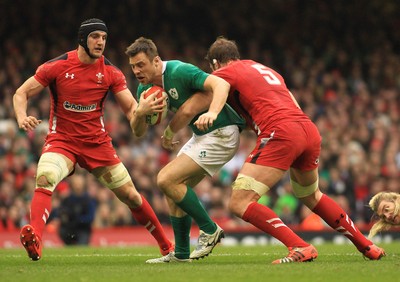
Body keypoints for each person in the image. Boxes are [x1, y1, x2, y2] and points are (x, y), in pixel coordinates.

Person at [194, 36, 386, 263]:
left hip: (281, 133)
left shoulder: (225, 72)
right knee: (311, 195)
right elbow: (289, 103)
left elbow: (218, 88)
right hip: (306, 129)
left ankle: (300, 246)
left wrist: (212, 113)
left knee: (239, 202)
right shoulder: (266, 70)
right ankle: (367, 245)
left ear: (215, 63)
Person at [13, 18, 174, 261]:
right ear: (82, 39)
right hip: (62, 140)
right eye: (95, 36)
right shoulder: (56, 66)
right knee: (45, 178)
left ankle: (166, 246)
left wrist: (141, 112)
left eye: (104, 38)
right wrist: (21, 116)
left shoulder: (110, 72)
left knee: (130, 195)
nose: (101, 42)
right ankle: (35, 238)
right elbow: (21, 92)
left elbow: (131, 110)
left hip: (96, 143)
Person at [125, 37, 245, 263]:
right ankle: (181, 254)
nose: (136, 70)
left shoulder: (180, 71)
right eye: (133, 66)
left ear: (157, 61)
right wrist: (140, 113)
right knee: (173, 190)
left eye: (141, 64)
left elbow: (219, 85)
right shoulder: (144, 88)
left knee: (166, 179)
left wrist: (208, 114)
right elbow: (137, 131)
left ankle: (210, 229)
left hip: (221, 132)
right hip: (201, 135)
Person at [56, 174, 96, 245]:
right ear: (72, 184)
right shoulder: (67, 199)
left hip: (83, 229)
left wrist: (78, 219)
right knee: (62, 230)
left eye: (79, 183)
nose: (78, 185)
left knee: (81, 246)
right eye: (76, 183)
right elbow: (61, 213)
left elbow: (90, 217)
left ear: (83, 184)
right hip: (70, 228)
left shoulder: (88, 200)